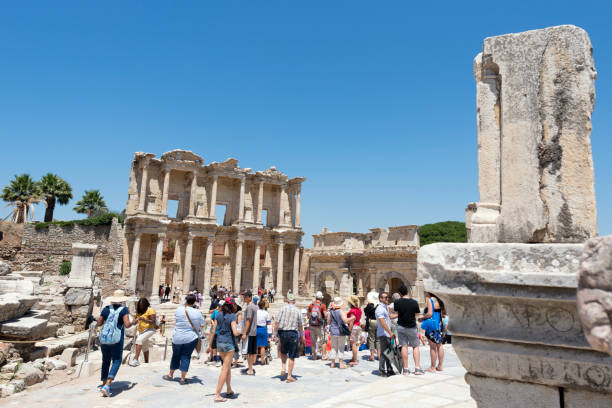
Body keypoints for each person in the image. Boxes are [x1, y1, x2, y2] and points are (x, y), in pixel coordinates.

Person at [97, 290, 133, 397]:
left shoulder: (106, 309)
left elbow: (99, 323)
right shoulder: (124, 310)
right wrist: (133, 322)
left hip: (105, 339)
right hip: (117, 339)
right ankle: (107, 385)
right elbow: (126, 325)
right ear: (122, 300)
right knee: (117, 360)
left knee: (105, 360)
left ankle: (104, 383)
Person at [164, 294, 204, 384]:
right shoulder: (198, 312)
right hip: (190, 338)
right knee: (186, 356)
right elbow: (202, 325)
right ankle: (182, 379)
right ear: (194, 302)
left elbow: (177, 319)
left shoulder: (179, 309)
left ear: (186, 300)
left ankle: (170, 375)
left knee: (175, 356)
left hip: (177, 337)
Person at [393, 284, 423, 375]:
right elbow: (417, 314)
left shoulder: (397, 302)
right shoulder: (414, 302)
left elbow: (397, 313)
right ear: (407, 292)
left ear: (400, 293)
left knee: (404, 346)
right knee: (415, 346)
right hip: (412, 326)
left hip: (401, 326)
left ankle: (406, 369)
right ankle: (417, 368)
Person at [214, 298, 240, 403]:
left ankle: (229, 390)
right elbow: (235, 332)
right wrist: (241, 331)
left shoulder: (219, 314)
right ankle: (217, 394)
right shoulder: (233, 316)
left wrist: (210, 346)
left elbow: (213, 329)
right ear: (231, 306)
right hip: (229, 343)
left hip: (219, 342)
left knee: (227, 367)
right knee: (225, 369)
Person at [274, 292, 303, 383]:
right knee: (292, 355)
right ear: (294, 301)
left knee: (283, 351)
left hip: (282, 332)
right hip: (292, 333)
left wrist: (275, 333)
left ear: (287, 300)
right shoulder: (298, 310)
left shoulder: (282, 308)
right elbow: (300, 325)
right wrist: (301, 336)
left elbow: (277, 321)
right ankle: (289, 376)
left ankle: (283, 367)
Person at [420, 292, 445, 372]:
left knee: (433, 347)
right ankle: (440, 366)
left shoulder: (430, 300)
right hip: (439, 324)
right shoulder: (439, 300)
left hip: (432, 326)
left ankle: (433, 367)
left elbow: (430, 313)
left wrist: (422, 318)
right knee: (440, 345)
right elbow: (442, 314)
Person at [328, 297, 354, 369]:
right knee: (341, 347)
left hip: (333, 331)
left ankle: (332, 363)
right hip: (340, 332)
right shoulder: (341, 312)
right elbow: (345, 320)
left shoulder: (331, 312)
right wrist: (352, 318)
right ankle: (341, 363)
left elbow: (328, 322)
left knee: (333, 347)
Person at [130, 297, 157, 367]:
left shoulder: (150, 310)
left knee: (139, 340)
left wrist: (145, 320)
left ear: (145, 305)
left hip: (150, 329)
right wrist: (134, 321)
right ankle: (146, 362)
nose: (141, 307)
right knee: (145, 347)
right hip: (141, 330)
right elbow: (135, 320)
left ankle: (136, 360)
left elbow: (153, 321)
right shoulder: (139, 311)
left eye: (142, 306)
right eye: (140, 306)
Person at [376, 292, 396, 377]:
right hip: (384, 333)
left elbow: (388, 318)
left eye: (388, 297)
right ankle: (381, 371)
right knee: (384, 353)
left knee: (389, 352)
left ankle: (389, 369)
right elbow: (383, 323)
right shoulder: (380, 309)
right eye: (385, 297)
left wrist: (398, 315)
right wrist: (390, 332)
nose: (387, 299)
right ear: (380, 299)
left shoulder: (384, 308)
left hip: (387, 333)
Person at [307, 291, 328, 361]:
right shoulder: (323, 305)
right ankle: (324, 356)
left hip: (312, 325)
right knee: (323, 341)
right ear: (321, 298)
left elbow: (308, 315)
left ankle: (315, 356)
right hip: (320, 325)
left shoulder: (311, 305)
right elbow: (325, 315)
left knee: (313, 341)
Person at [241, 290, 258, 376]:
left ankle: (250, 370)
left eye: (244, 297)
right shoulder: (254, 306)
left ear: (249, 297)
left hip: (250, 332)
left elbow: (248, 320)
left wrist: (244, 333)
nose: (243, 298)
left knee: (249, 352)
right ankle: (250, 368)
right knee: (251, 351)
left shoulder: (250, 307)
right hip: (253, 332)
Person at [363, 291, 379, 362]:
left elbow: (365, 312)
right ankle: (379, 355)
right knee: (378, 339)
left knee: (371, 339)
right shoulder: (379, 305)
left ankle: (372, 356)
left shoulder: (370, 305)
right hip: (379, 322)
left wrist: (367, 305)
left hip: (371, 322)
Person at [347, 295, 362, 366]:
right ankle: (354, 358)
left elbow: (351, 321)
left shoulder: (352, 310)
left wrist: (349, 330)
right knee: (355, 344)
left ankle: (355, 360)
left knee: (353, 344)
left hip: (354, 327)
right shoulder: (359, 310)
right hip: (358, 327)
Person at [207, 302, 222, 367]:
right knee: (214, 346)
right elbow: (211, 317)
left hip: (221, 331)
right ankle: (215, 360)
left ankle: (221, 360)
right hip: (215, 331)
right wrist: (213, 323)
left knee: (220, 346)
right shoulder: (215, 312)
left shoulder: (224, 313)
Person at [256, 299, 270, 365]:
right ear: (264, 305)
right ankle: (262, 360)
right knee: (262, 346)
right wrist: (269, 334)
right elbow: (269, 323)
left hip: (256, 328)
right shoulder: (266, 313)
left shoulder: (256, 312)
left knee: (256, 345)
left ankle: (254, 360)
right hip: (263, 329)